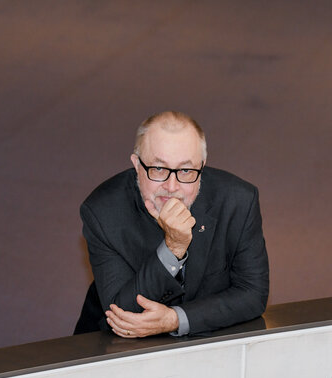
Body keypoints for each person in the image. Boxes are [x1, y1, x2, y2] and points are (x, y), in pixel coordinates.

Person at [75, 111, 269, 337]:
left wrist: (176, 319)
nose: (172, 186)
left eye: (186, 170)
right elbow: (123, 315)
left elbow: (253, 294)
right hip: (113, 347)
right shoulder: (103, 211)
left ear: (202, 167)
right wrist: (173, 249)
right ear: (137, 165)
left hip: (207, 341)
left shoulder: (238, 201)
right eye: (159, 169)